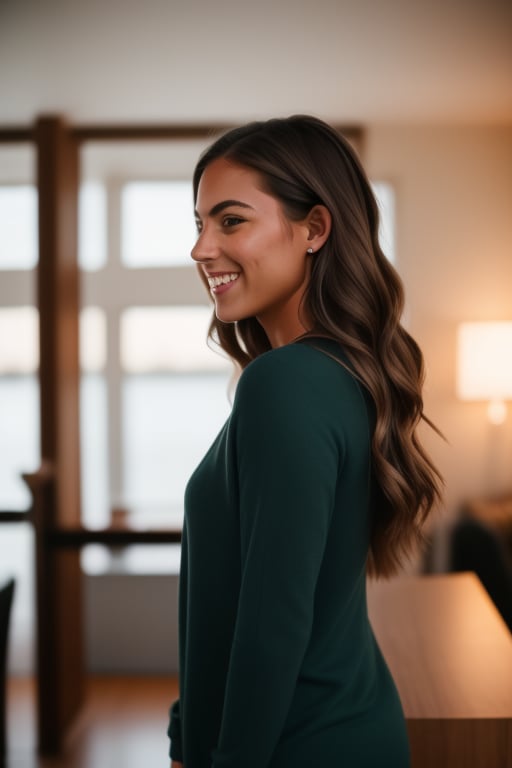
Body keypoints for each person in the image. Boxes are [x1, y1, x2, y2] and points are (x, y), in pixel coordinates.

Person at [167, 115, 442, 768]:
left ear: (315, 229)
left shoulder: (286, 382)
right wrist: (187, 733)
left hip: (299, 746)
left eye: (230, 221)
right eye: (199, 223)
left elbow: (272, 626)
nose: (202, 248)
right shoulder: (331, 375)